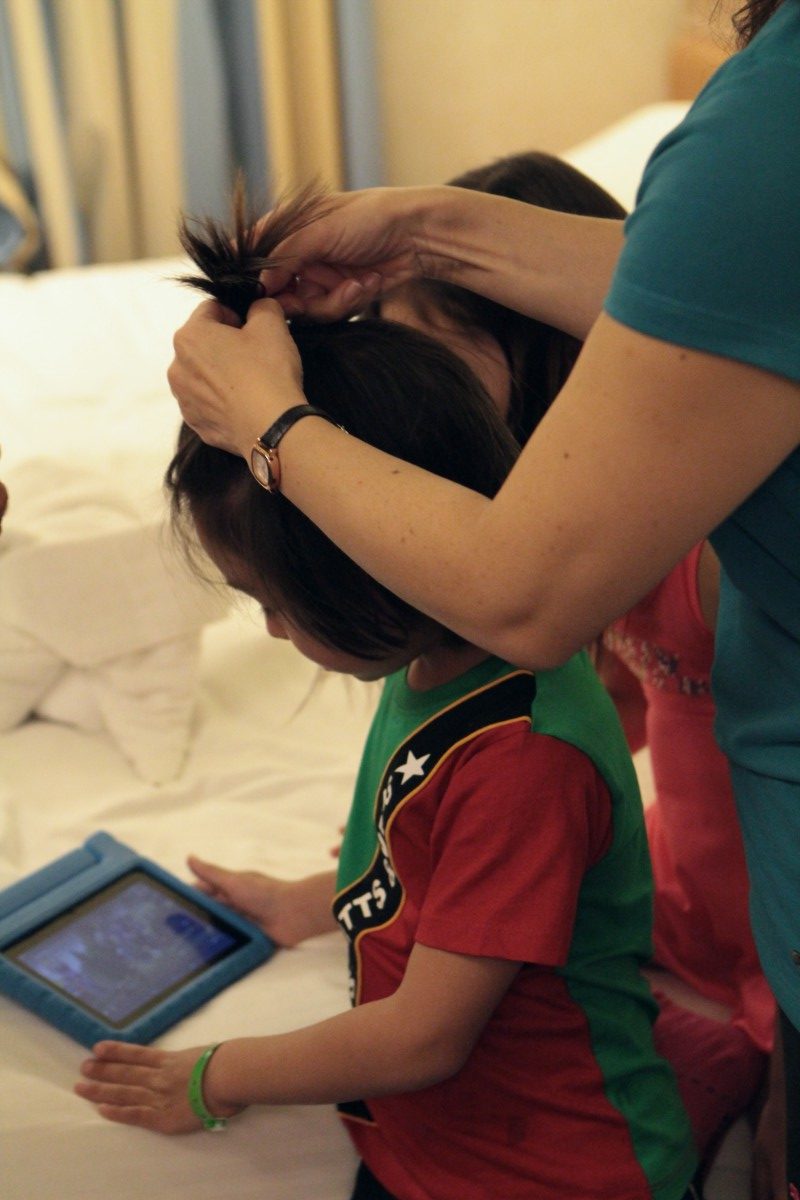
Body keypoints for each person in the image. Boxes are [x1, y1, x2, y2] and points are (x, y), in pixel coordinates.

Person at [166, 4, 800, 1192]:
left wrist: (270, 428)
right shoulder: (464, 671)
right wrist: (333, 897)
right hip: (701, 895)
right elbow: (622, 719)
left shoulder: (585, 608)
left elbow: (532, 620)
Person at [74, 195, 698, 1200]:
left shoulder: (522, 755)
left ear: (371, 567)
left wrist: (214, 1076)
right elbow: (430, 877)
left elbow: (422, 1040)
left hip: (554, 1175)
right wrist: (307, 903)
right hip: (424, 1156)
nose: (271, 632)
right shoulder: (438, 664)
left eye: (273, 604)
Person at [380, 149, 774, 1178]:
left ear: (556, 352)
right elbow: (629, 704)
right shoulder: (559, 546)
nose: (410, 388)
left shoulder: (703, 547)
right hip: (686, 893)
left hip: (771, 927)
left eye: (435, 352)